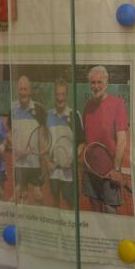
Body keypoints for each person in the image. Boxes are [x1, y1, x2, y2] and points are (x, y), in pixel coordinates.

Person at [82, 66, 129, 214]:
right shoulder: (88, 106)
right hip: (90, 171)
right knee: (95, 214)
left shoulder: (117, 104)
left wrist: (116, 169)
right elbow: (86, 139)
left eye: (99, 82)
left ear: (106, 83)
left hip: (110, 173)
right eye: (93, 83)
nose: (96, 86)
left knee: (111, 214)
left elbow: (122, 140)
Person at [42, 78, 83, 209]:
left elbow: (82, 143)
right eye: (57, 94)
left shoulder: (74, 115)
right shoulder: (48, 115)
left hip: (69, 173)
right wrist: (47, 161)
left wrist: (72, 159)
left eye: (63, 94)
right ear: (54, 95)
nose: (60, 98)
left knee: (72, 205)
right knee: (55, 203)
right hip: (53, 172)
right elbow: (43, 141)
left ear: (67, 95)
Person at [11, 75, 46, 204]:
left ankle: (41, 215)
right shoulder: (12, 109)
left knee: (38, 195)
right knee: (21, 194)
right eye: (20, 89)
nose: (23, 92)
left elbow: (42, 136)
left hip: (34, 163)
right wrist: (16, 150)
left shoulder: (39, 109)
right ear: (17, 91)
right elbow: (9, 134)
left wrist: (43, 155)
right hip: (19, 163)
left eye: (25, 89)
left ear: (30, 91)